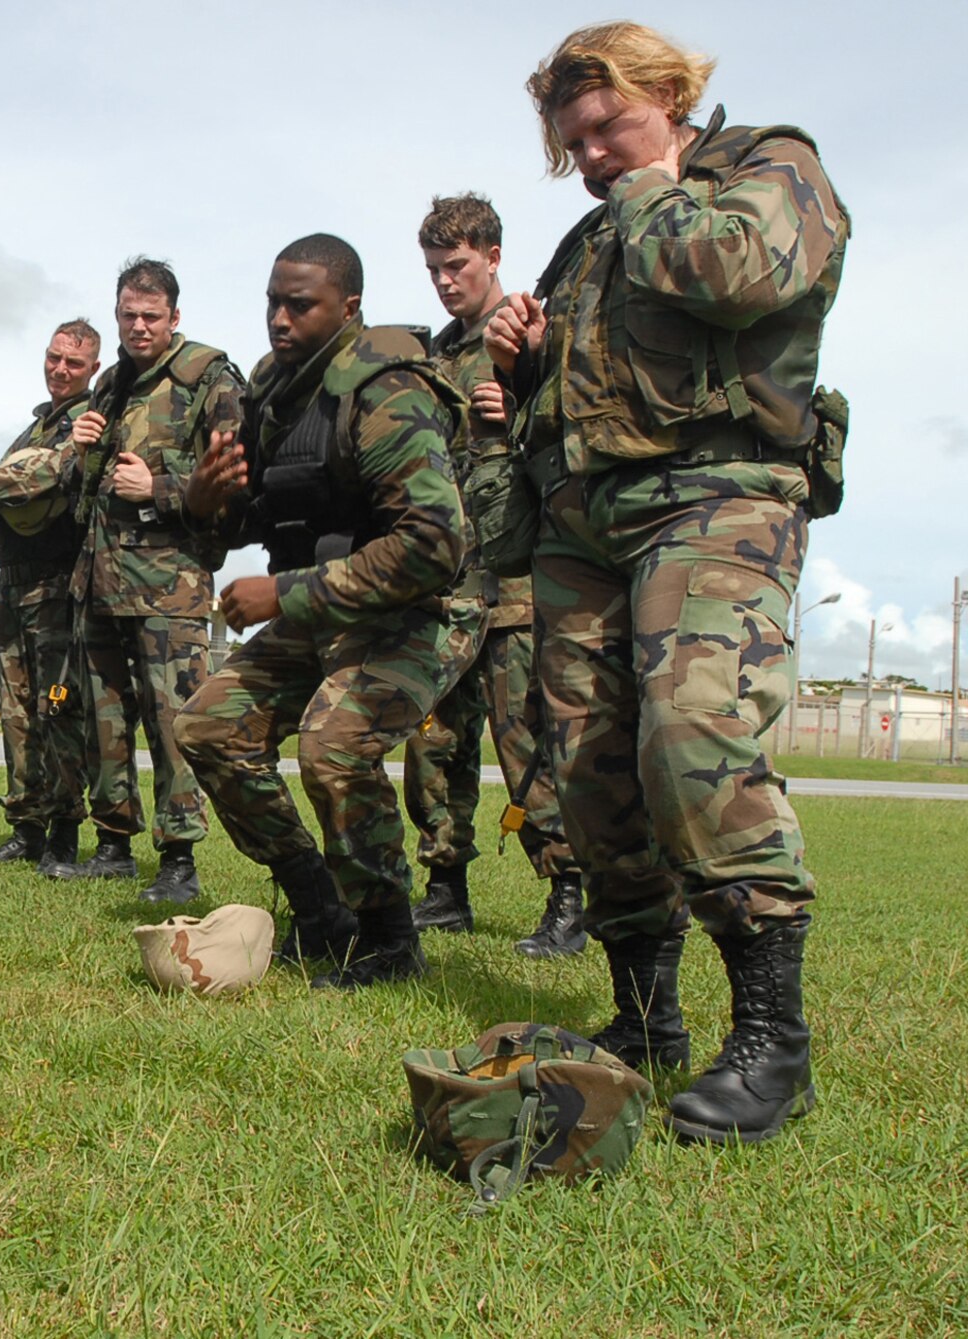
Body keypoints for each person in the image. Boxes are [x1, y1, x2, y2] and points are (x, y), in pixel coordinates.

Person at [487, 22, 848, 1142]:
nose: (590, 157)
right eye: (572, 144)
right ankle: (645, 1019)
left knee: (690, 736)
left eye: (607, 127)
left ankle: (768, 1042)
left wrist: (647, 194)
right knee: (588, 772)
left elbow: (743, 275)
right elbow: (579, 390)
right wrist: (522, 356)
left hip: (717, 496)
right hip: (585, 521)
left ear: (670, 92)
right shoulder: (585, 242)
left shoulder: (765, 169)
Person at [176, 234, 484, 989]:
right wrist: (202, 500)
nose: (279, 320)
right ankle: (319, 904)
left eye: (300, 304)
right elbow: (249, 522)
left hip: (424, 607)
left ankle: (388, 934)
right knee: (208, 726)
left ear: (348, 307)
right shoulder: (276, 391)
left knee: (334, 744)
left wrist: (283, 594)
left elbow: (432, 545)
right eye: (272, 302)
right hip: (329, 604)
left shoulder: (387, 389)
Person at [405, 193, 586, 957]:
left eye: (458, 265)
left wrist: (510, 409)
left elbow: (576, 430)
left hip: (513, 583)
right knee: (430, 741)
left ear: (493, 257)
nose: (446, 281)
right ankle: (445, 886)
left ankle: (569, 893)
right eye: (435, 269)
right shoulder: (436, 355)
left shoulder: (530, 336)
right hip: (444, 583)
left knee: (525, 745)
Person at [44, 257, 242, 905]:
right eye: (127, 315)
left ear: (174, 317)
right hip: (100, 582)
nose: (138, 327)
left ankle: (179, 858)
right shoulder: (109, 389)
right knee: (103, 721)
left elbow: (237, 482)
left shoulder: (207, 378)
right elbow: (83, 489)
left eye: (150, 316)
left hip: (168, 589)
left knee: (172, 722)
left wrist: (158, 488)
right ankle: (112, 844)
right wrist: (80, 447)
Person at [0, 319, 101, 874]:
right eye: (54, 357)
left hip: (58, 591)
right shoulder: (34, 428)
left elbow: (41, 477)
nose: (60, 369)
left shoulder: (87, 422)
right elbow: (12, 494)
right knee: (15, 708)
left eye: (73, 362)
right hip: (14, 583)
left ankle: (65, 830)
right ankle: (26, 828)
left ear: (92, 367)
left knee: (59, 706)